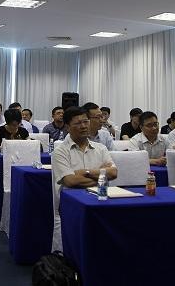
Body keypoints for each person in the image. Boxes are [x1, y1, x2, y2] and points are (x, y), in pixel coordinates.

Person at [51, 106, 117, 251]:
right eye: (78, 123)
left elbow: (113, 173)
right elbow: (70, 181)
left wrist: (85, 172)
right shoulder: (60, 151)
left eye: (86, 121)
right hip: (72, 207)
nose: (83, 126)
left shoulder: (100, 148)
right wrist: (102, 175)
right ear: (67, 127)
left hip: (101, 203)